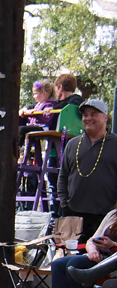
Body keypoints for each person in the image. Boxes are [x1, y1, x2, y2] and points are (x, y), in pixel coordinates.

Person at [57, 99, 117, 242]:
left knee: (99, 259)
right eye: (85, 115)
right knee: (70, 257)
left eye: (93, 114)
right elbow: (63, 175)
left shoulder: (115, 143)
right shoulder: (73, 144)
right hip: (74, 214)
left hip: (105, 216)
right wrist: (64, 202)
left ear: (105, 117)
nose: (88, 118)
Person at [47, 205, 117, 288]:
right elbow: (91, 240)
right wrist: (93, 251)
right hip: (98, 256)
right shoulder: (112, 215)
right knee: (58, 264)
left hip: (113, 260)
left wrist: (112, 245)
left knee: (75, 264)